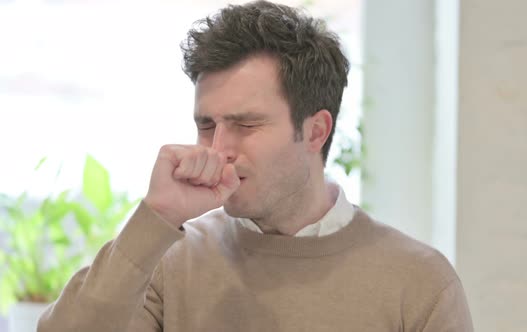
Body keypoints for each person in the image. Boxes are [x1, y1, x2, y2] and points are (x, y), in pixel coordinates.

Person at [38, 1, 473, 331]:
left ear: (316, 131)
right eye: (206, 124)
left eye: (246, 124)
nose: (219, 148)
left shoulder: (418, 283)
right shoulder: (173, 259)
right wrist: (157, 218)